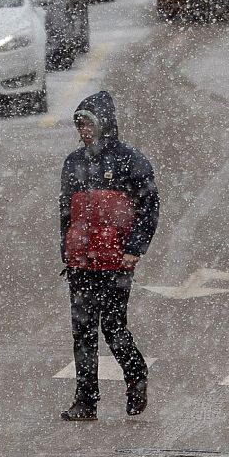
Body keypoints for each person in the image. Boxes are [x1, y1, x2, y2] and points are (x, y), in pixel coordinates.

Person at [58, 90, 157, 421]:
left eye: (88, 124)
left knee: (113, 326)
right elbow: (65, 211)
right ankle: (86, 400)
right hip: (81, 263)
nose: (83, 132)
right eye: (79, 125)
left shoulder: (131, 162)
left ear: (104, 125)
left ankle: (135, 375)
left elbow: (148, 207)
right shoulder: (73, 163)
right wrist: (67, 251)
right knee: (83, 331)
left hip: (115, 262)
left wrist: (134, 249)